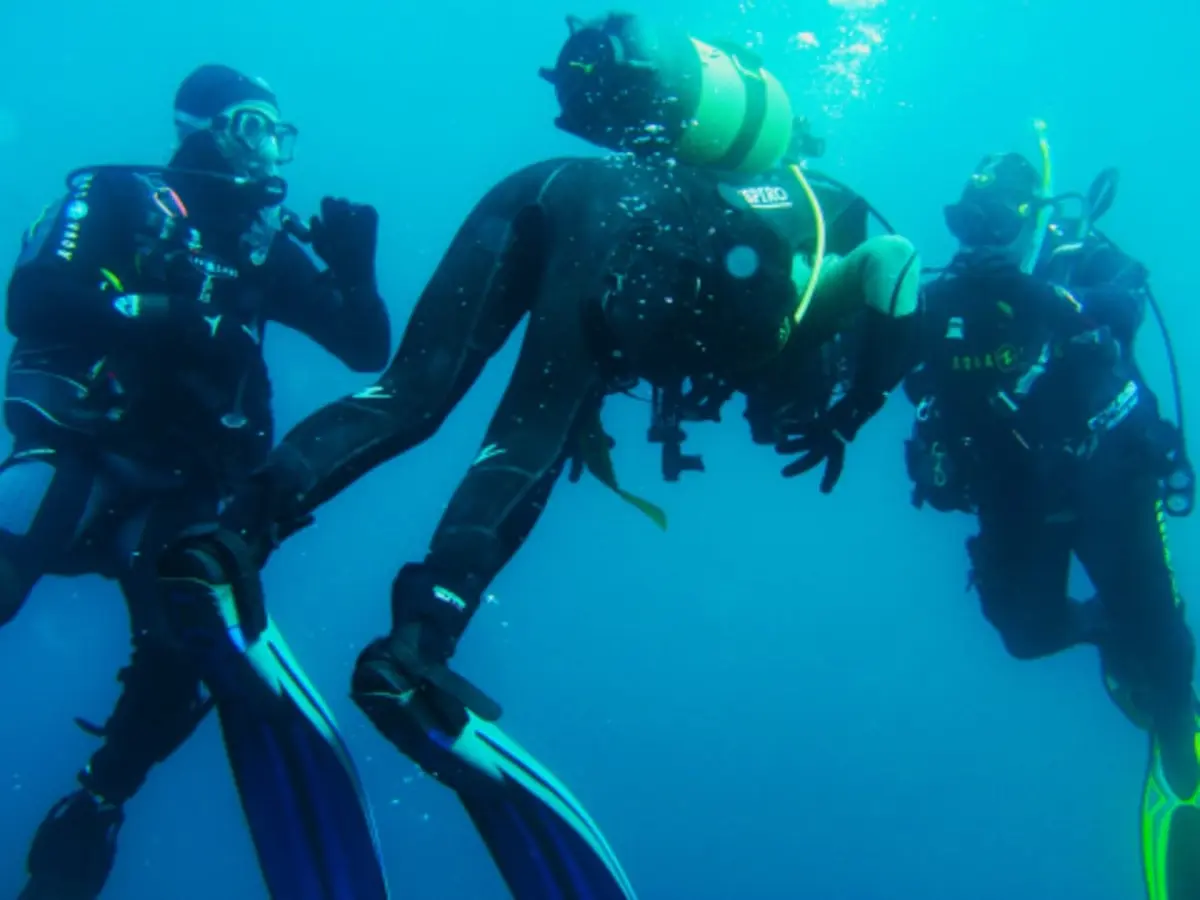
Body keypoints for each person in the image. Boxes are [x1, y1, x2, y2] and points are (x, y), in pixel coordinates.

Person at [159, 13, 923, 898]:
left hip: (541, 185)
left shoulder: (731, 194)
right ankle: (415, 650)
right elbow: (896, 266)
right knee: (524, 435)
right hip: (622, 228)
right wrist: (855, 409)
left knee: (409, 392)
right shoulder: (819, 272)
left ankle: (233, 539)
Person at [3, 64, 392, 900]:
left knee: (185, 644)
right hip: (87, 455)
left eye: (279, 132)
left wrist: (356, 270)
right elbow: (32, 299)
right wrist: (166, 318)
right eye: (253, 126)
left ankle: (98, 804)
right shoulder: (118, 196)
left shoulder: (264, 244)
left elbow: (366, 349)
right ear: (199, 126)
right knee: (16, 527)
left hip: (186, 488)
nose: (268, 150)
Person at [896, 146, 1198, 900]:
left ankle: (1176, 731)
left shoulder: (1079, 253)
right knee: (1026, 636)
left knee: (1161, 649)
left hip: (1111, 480)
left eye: (992, 222)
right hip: (1014, 492)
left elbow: (1127, 302)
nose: (976, 238)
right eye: (965, 223)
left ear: (1029, 219)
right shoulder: (952, 292)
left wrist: (1040, 296)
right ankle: (1106, 632)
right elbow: (909, 373)